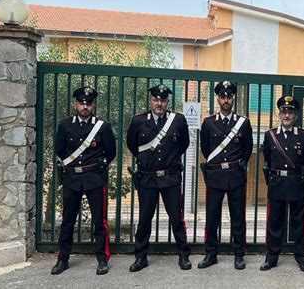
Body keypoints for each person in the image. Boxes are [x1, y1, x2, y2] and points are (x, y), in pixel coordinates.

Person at [51, 86, 116, 275]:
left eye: (88, 104)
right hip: (72, 178)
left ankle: (102, 259)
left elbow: (110, 151)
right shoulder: (65, 125)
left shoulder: (102, 126)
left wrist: (98, 165)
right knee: (67, 221)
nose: (84, 107)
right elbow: (60, 149)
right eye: (81, 103)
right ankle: (62, 259)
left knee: (99, 222)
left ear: (93, 105)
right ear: (76, 104)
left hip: (94, 178)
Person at [126, 84, 191, 272]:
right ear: (151, 101)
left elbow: (183, 144)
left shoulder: (178, 120)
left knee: (176, 218)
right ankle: (140, 257)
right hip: (147, 178)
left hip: (170, 177)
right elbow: (133, 145)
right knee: (145, 219)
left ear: (167, 102)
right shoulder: (138, 121)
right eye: (156, 100)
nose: (159, 104)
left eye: (162, 100)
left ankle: (183, 255)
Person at [198, 81, 253, 270]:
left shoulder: (243, 123)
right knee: (212, 217)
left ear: (233, 98)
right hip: (215, 176)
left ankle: (239, 254)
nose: (226, 100)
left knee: (238, 217)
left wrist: (235, 164)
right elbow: (205, 149)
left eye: (229, 97)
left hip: (236, 175)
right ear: (218, 99)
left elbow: (247, 150)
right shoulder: (208, 123)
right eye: (223, 97)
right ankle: (211, 254)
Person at [260, 95, 304, 272]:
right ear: (279, 114)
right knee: (274, 223)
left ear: (295, 115)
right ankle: (271, 258)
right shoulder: (270, 135)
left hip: (296, 183)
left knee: (299, 224)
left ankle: (302, 257)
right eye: (284, 112)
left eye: (290, 112)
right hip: (277, 183)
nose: (287, 115)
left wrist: (299, 176)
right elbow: (267, 158)